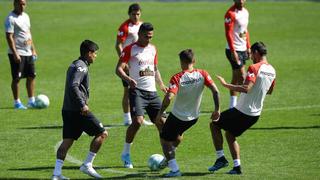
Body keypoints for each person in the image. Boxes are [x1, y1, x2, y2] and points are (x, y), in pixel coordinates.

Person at [208, 42, 276, 175]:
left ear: (256, 52)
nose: (249, 56)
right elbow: (270, 91)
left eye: (251, 53)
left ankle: (220, 158)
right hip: (255, 115)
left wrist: (227, 85)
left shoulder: (254, 67)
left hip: (243, 111)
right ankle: (237, 167)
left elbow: (246, 88)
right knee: (230, 134)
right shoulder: (272, 70)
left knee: (214, 124)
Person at [155, 49, 220, 177]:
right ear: (194, 61)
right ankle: (170, 158)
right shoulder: (203, 74)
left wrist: (160, 113)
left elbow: (169, 97)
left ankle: (174, 169)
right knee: (177, 135)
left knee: (164, 140)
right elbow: (216, 91)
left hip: (178, 116)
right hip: (194, 117)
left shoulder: (178, 77)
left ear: (181, 62)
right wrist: (217, 109)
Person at [52, 40, 108, 180]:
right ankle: (87, 165)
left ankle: (56, 174)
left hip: (67, 109)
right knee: (102, 133)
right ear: (89, 53)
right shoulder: (81, 67)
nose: (96, 56)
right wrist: (82, 104)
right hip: (79, 111)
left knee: (67, 141)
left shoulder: (74, 64)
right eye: (95, 53)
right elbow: (74, 85)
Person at [115, 22, 167, 169]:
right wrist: (128, 79)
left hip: (152, 92)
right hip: (137, 91)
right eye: (146, 36)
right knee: (137, 121)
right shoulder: (130, 49)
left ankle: (167, 158)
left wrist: (161, 84)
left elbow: (155, 68)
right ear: (139, 34)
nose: (148, 39)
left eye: (151, 36)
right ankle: (126, 154)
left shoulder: (153, 49)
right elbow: (118, 69)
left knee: (162, 123)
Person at [115, 3, 152, 126]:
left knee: (141, 88)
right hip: (128, 63)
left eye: (138, 14)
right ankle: (127, 118)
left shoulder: (142, 26)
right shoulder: (125, 27)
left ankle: (140, 115)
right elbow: (118, 45)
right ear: (129, 14)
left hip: (140, 63)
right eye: (133, 14)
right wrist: (124, 61)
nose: (135, 16)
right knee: (127, 90)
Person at [5, 0, 38, 109]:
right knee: (16, 78)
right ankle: (17, 102)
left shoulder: (26, 16)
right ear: (14, 4)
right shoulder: (10, 18)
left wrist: (33, 49)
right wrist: (15, 53)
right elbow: (9, 37)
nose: (22, 6)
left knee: (31, 76)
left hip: (28, 52)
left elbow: (28, 33)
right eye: (20, 4)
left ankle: (31, 101)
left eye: (24, 4)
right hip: (17, 53)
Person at [224, 0, 251, 108]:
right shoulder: (230, 14)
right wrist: (233, 50)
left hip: (243, 48)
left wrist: (248, 46)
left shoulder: (245, 12)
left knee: (235, 78)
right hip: (233, 50)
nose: (240, 0)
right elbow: (228, 33)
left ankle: (233, 105)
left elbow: (244, 30)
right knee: (243, 77)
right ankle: (243, 105)